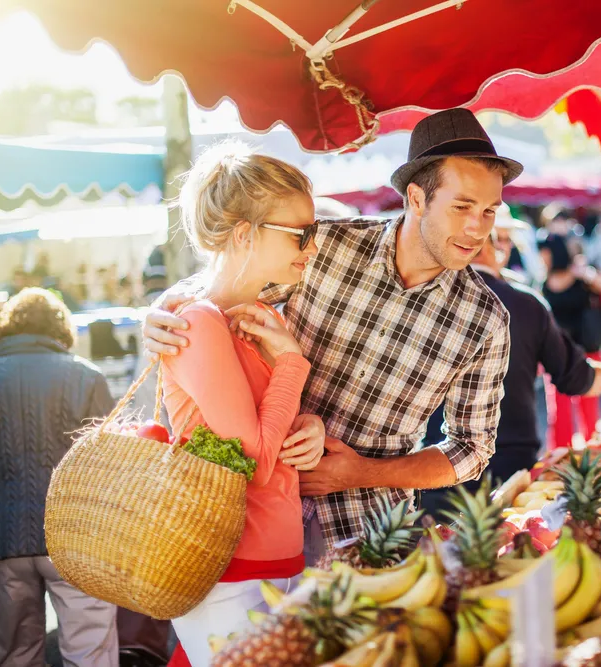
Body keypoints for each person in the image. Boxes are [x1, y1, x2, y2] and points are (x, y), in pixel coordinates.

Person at [143, 108, 518, 564]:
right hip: (251, 514)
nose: (478, 229)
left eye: (489, 211)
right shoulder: (324, 246)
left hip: (369, 534)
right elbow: (231, 281)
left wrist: (363, 472)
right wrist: (167, 307)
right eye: (462, 207)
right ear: (417, 199)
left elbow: (472, 449)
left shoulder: (486, 318)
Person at [154, 143, 327, 667]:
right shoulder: (198, 323)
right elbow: (251, 458)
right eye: (300, 234)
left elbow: (265, 431)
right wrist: (293, 367)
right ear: (245, 233)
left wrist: (310, 426)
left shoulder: (253, 320)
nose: (312, 248)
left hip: (270, 558)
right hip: (233, 566)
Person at [0, 288, 119, 667]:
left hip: (1, 539)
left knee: (16, 653)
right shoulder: (87, 377)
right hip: (75, 538)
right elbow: (112, 464)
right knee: (90, 649)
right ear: (61, 330)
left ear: (5, 330)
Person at [422, 215, 601, 514]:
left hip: (437, 473)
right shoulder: (526, 304)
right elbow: (579, 379)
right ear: (493, 244)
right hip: (510, 475)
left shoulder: (423, 304)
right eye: (504, 239)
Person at [539, 235, 601, 449]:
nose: (541, 258)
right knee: (558, 414)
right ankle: (561, 458)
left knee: (589, 410)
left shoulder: (581, 276)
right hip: (556, 355)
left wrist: (587, 274)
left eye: (544, 253)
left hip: (587, 351)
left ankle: (593, 452)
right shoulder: (543, 281)